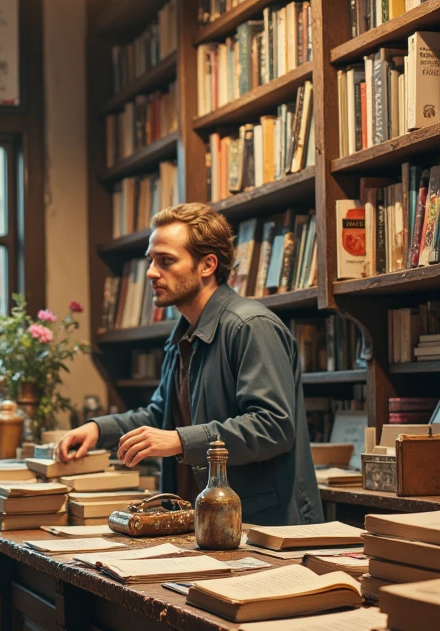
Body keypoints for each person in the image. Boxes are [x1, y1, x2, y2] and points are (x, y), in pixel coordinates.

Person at [59, 202, 322, 525]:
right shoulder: (184, 333)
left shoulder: (250, 326)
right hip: (204, 523)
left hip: (260, 527)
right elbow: (161, 415)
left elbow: (273, 426)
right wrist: (98, 429)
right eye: (151, 261)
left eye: (166, 261)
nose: (152, 273)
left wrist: (181, 440)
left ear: (207, 265)